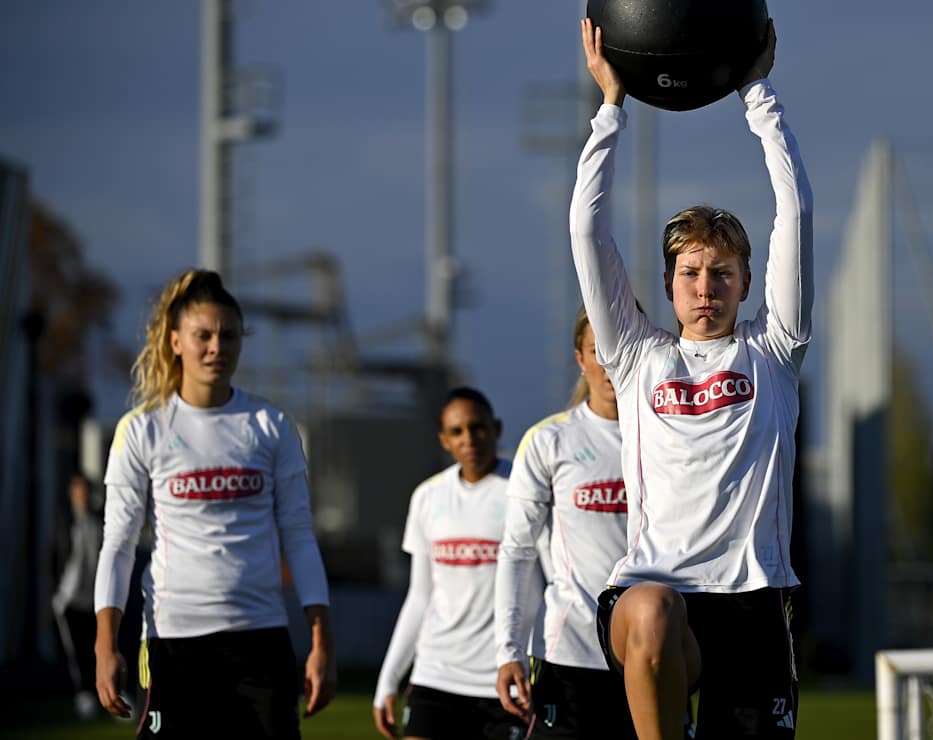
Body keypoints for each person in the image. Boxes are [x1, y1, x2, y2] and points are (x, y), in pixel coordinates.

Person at [571, 18, 812, 740]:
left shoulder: (773, 350)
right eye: (690, 273)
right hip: (657, 594)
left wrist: (758, 93)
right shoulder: (636, 355)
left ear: (746, 283)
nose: (706, 287)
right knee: (651, 607)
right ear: (669, 284)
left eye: (722, 273)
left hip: (753, 601)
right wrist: (611, 107)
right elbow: (587, 232)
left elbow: (795, 210)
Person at [93, 268, 337, 739]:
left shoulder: (272, 425)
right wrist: (105, 644)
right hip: (173, 644)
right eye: (202, 335)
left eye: (228, 335)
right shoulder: (142, 429)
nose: (216, 347)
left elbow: (300, 538)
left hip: (261, 640)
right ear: (175, 341)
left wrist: (321, 639)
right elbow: (117, 546)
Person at [494, 308, 638, 739]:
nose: (609, 363)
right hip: (569, 655)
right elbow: (517, 550)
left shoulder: (670, 438)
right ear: (580, 358)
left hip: (651, 653)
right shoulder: (549, 441)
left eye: (620, 348)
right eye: (598, 351)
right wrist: (508, 649)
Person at [373, 387, 524, 740]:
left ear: (496, 428)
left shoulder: (524, 489)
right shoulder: (427, 497)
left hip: (503, 678)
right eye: (456, 431)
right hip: (436, 675)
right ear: (444, 440)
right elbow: (419, 597)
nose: (468, 438)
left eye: (477, 427)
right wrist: (388, 680)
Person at [53, 472, 103, 720]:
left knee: (98, 647)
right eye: (77, 491)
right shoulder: (65, 523)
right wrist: (57, 595)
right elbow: (55, 558)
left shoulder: (99, 523)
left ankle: (104, 692)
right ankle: (83, 695)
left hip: (95, 599)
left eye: (84, 491)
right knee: (77, 652)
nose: (81, 496)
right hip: (70, 599)